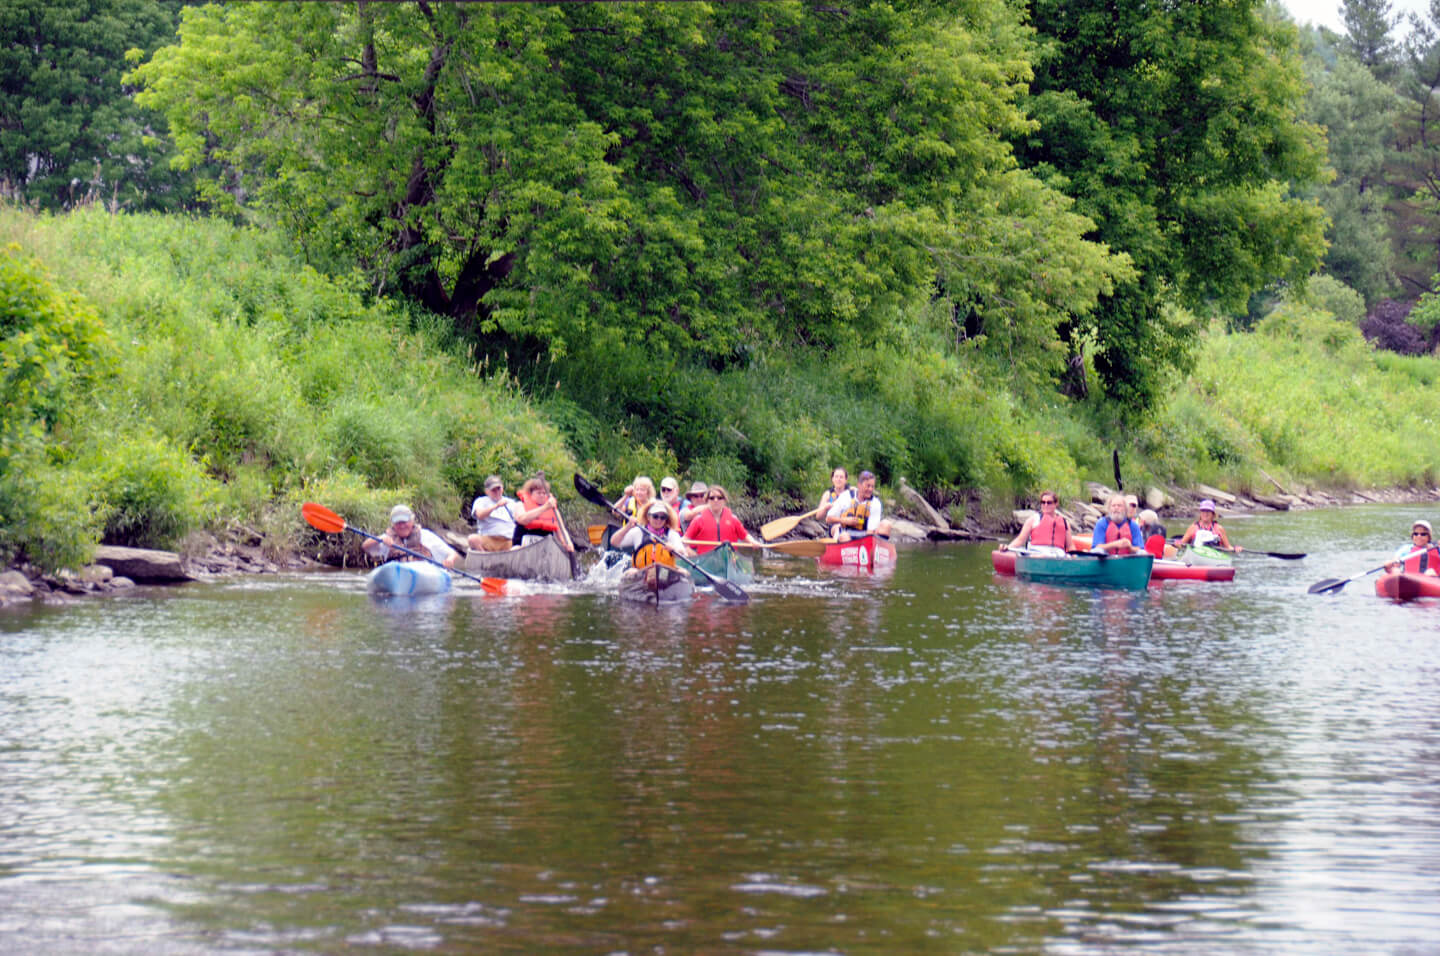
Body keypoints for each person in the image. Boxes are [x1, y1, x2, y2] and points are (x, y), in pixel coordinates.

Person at [617, 501, 694, 590]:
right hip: (642, 574)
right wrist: (627, 527)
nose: (659, 520)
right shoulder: (638, 532)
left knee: (684, 572)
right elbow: (615, 542)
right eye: (655, 516)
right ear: (648, 517)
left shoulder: (672, 534)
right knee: (631, 572)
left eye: (662, 517)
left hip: (664, 575)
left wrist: (674, 549)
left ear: (666, 519)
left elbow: (683, 554)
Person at [361, 504, 459, 569]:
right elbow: (365, 546)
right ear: (393, 524)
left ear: (412, 521)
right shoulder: (387, 538)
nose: (402, 526)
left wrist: (450, 560)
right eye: (398, 523)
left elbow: (453, 553)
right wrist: (380, 539)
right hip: (397, 574)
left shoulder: (425, 536)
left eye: (405, 522)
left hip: (423, 573)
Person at [683, 484, 760, 554]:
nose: (715, 500)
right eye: (712, 498)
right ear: (707, 501)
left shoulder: (733, 519)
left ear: (724, 500)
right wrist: (693, 554)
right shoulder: (698, 520)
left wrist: (753, 542)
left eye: (719, 498)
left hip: (729, 558)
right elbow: (684, 540)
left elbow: (745, 536)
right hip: (706, 560)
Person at [510, 475, 574, 553]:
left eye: (544, 493)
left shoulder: (554, 510)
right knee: (515, 549)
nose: (542, 495)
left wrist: (568, 543)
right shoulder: (520, 505)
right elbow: (522, 519)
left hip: (544, 548)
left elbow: (561, 530)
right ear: (530, 494)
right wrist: (545, 507)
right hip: (522, 545)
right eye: (539, 493)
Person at [826, 470, 887, 542]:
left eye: (872, 486)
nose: (870, 489)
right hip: (845, 533)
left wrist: (863, 544)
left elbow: (870, 532)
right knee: (844, 536)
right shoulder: (846, 496)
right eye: (868, 486)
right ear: (859, 485)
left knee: (886, 524)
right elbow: (828, 519)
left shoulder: (875, 503)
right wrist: (844, 520)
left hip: (864, 536)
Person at [1004, 491, 1070, 551]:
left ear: (1056, 504)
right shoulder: (1032, 520)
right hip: (1036, 552)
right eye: (1043, 502)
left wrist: (1074, 555)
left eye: (1049, 503)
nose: (1045, 505)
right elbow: (1020, 540)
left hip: (1058, 554)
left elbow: (1070, 546)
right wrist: (1008, 547)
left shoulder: (1065, 522)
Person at [468, 475, 517, 552]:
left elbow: (519, 519)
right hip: (489, 539)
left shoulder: (511, 502)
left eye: (498, 488)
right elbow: (480, 515)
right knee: (472, 539)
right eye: (493, 490)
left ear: (502, 488)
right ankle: (484, 555)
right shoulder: (481, 501)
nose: (497, 492)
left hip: (508, 540)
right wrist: (496, 506)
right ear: (487, 491)